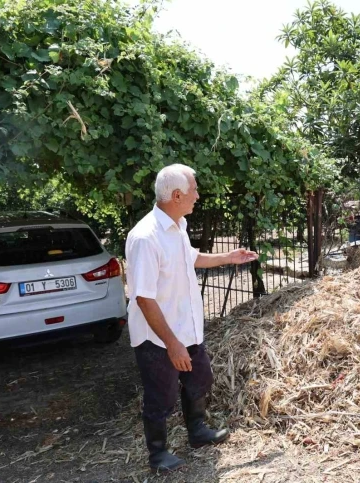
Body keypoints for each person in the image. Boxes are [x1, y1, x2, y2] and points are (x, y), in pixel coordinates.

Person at [125, 164, 258, 473]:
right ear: (176, 195)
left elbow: (191, 258)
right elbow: (142, 297)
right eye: (194, 190)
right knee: (162, 396)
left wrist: (228, 257)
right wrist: (172, 344)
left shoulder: (178, 224)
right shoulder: (146, 237)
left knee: (200, 379)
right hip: (157, 338)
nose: (198, 195)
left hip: (188, 329)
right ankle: (158, 455)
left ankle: (197, 431)